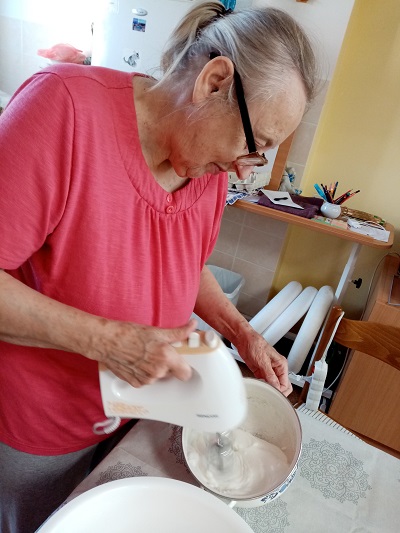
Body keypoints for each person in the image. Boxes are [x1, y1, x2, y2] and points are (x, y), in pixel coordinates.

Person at [0, 2, 317, 531]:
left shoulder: (209, 172)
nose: (244, 170)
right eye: (254, 144)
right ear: (214, 82)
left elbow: (185, 265)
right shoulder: (64, 111)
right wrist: (110, 342)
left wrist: (241, 332)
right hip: (39, 429)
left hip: (134, 419)